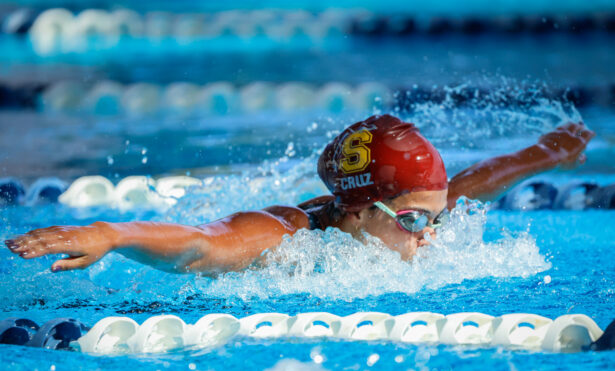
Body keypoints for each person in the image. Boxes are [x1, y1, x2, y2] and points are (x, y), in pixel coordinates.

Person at [4, 114, 594, 275]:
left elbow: (473, 183)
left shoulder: (415, 211)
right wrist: (113, 232)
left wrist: (550, 152)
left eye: (431, 219)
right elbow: (204, 244)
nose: (432, 237)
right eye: (415, 221)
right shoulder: (287, 235)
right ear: (359, 211)